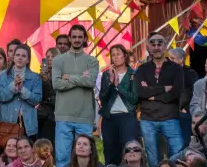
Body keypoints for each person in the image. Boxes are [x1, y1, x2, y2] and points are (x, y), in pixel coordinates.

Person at [133, 32, 184, 167]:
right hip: (148, 119)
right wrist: (163, 88)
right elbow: (139, 92)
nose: (156, 47)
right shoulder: (142, 69)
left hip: (170, 118)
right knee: (152, 158)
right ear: (148, 47)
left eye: (160, 43)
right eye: (153, 44)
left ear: (165, 46)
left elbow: (176, 92)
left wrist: (151, 94)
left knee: (178, 154)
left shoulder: (176, 68)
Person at [52, 25, 99, 167]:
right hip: (63, 116)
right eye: (74, 37)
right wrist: (80, 79)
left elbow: (90, 82)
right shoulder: (58, 60)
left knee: (86, 159)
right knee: (62, 159)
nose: (77, 40)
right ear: (70, 38)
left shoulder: (92, 61)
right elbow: (57, 84)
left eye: (80, 37)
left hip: (85, 116)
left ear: (85, 38)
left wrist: (69, 77)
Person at [98, 45, 139, 166]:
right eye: (113, 55)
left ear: (125, 56)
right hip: (109, 118)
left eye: (118, 54)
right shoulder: (106, 74)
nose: (115, 57)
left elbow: (134, 99)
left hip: (127, 116)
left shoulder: (133, 74)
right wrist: (111, 83)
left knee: (129, 151)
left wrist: (118, 85)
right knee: (110, 152)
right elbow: (103, 98)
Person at [0, 45, 42, 141]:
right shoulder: (3, 76)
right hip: (8, 122)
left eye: (23, 56)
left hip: (28, 124)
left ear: (28, 60)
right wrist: (13, 86)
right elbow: (0, 97)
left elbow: (37, 100)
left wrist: (22, 89)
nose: (20, 58)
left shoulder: (35, 77)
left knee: (27, 151)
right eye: (17, 55)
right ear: (13, 57)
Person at [169, 49, 198, 148]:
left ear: (181, 59)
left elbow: (194, 92)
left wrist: (185, 107)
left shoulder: (190, 73)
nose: (169, 60)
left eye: (172, 58)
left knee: (184, 141)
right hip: (169, 113)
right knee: (171, 142)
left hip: (184, 112)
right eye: (169, 58)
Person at [38, 50, 58, 145]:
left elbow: (56, 94)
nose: (49, 59)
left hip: (55, 114)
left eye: (52, 56)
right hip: (43, 113)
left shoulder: (60, 76)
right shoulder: (42, 75)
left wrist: (47, 81)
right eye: (47, 56)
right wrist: (41, 80)